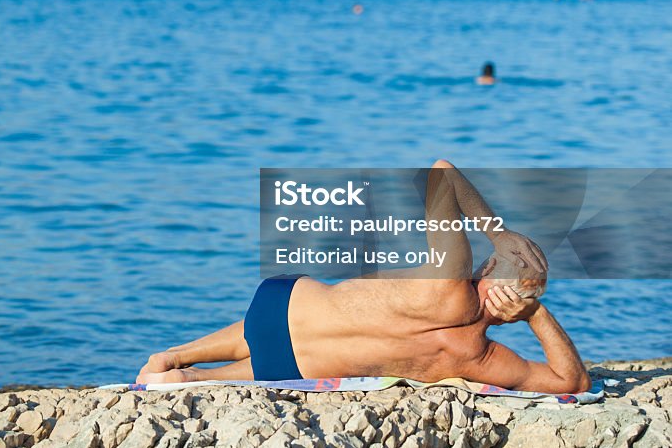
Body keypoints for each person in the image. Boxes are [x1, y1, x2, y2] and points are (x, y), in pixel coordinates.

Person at [137, 161, 590, 393]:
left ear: (490, 266)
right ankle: (188, 378)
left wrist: (497, 232)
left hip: (281, 306)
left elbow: (442, 173)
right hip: (286, 370)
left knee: (284, 323)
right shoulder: (483, 360)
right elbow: (572, 383)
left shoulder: (449, 281)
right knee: (233, 367)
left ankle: (172, 357)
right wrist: (536, 314)